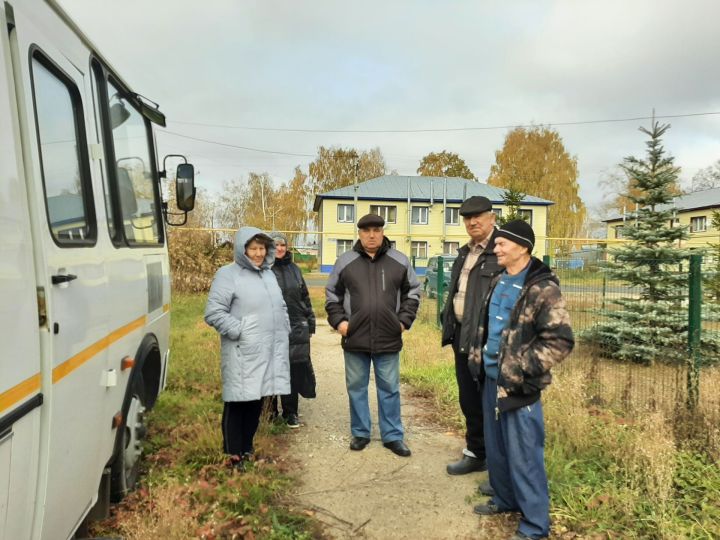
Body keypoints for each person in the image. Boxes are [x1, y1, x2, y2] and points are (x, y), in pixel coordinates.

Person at [469, 220, 574, 540]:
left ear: (522, 247)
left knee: (525, 455)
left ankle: (534, 526)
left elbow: (560, 340)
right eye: (496, 244)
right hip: (489, 380)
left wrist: (519, 369)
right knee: (497, 448)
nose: (495, 248)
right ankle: (505, 499)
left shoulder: (543, 289)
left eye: (502, 244)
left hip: (518, 387)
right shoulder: (499, 280)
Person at [325, 213, 421, 457]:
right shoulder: (345, 261)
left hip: (389, 337)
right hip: (355, 337)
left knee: (389, 388)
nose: (371, 235)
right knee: (356, 387)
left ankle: (392, 435)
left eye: (376, 230)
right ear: (359, 233)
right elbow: (332, 296)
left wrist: (402, 322)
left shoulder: (399, 260)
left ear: (382, 232)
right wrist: (341, 324)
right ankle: (360, 432)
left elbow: (413, 293)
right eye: (366, 230)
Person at [204, 227, 291, 468]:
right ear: (243, 250)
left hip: (266, 350)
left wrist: (285, 327)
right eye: (253, 248)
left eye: (262, 248)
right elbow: (213, 312)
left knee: (256, 400)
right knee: (238, 401)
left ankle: (247, 447)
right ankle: (233, 453)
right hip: (242, 350)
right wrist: (241, 331)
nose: (258, 253)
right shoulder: (227, 274)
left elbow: (280, 306)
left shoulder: (268, 275)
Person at [440, 196, 503, 478]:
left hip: (489, 340)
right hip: (463, 337)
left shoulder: (502, 250)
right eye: (466, 218)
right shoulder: (466, 252)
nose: (472, 222)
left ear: (492, 216)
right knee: (469, 399)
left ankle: (499, 463)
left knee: (494, 402)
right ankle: (476, 452)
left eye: (477, 216)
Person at [265, 231, 317, 428]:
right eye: (275, 245)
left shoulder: (295, 270)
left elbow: (304, 297)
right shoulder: (264, 270)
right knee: (270, 370)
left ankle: (291, 412)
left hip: (295, 327)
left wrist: (310, 320)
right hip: (271, 328)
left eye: (282, 245)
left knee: (292, 371)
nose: (279, 248)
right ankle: (269, 412)